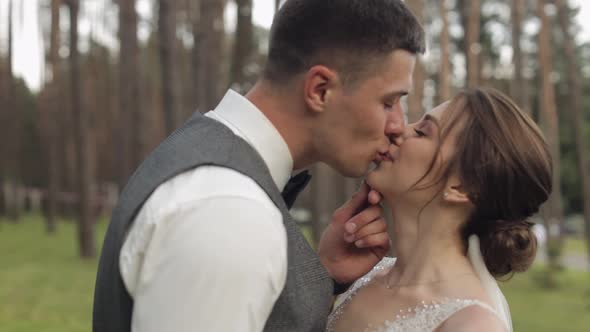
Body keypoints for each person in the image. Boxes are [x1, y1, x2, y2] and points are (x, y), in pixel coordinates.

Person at [92, 1, 425, 331]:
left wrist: (320, 276)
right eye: (389, 102)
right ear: (320, 90)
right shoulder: (228, 210)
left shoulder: (210, 168)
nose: (398, 125)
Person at [326, 88, 552, 332]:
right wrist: (327, 274)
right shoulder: (364, 278)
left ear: (462, 187)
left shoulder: (470, 325)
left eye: (423, 132)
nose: (399, 129)